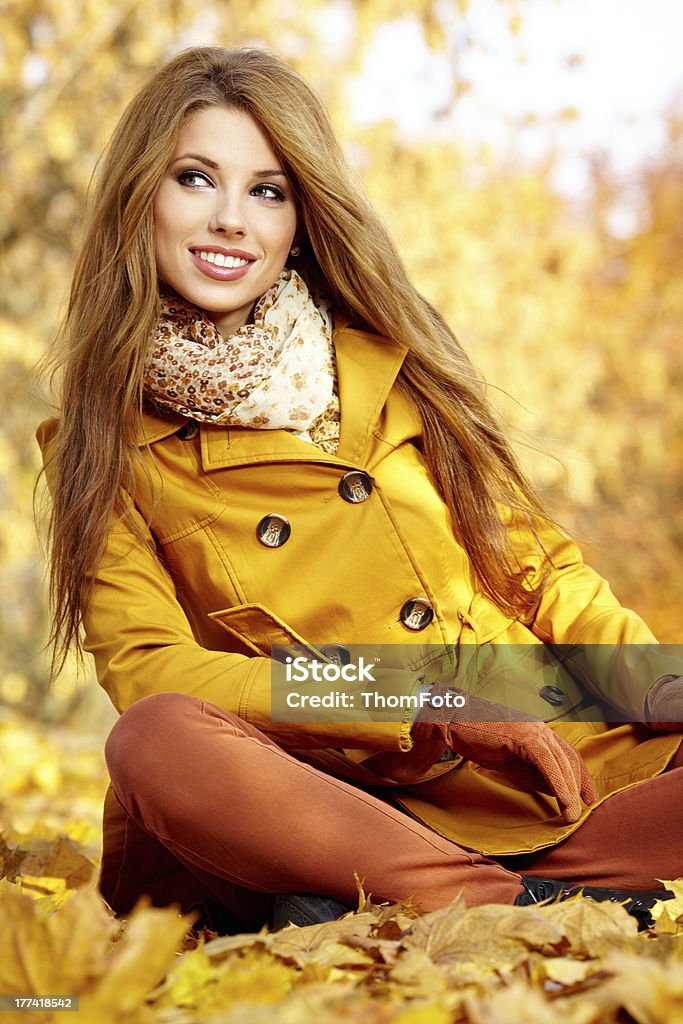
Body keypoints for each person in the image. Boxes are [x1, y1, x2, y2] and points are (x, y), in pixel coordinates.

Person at [38, 46, 683, 935]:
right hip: (338, 806)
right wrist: (418, 710)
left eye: (268, 191)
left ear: (300, 222)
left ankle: (405, 906)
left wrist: (651, 681)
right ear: (139, 196)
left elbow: (538, 572)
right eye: (196, 179)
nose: (231, 219)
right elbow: (153, 668)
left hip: (556, 779)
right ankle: (497, 906)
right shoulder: (103, 448)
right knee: (153, 740)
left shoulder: (394, 372)